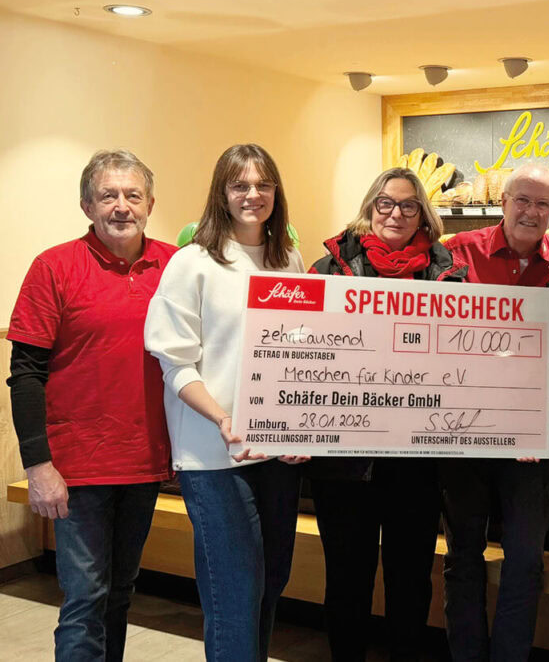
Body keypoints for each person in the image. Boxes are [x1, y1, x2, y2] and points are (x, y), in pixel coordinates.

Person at [6, 150, 175, 661]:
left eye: (133, 195)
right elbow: (26, 374)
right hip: (77, 469)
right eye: (108, 196)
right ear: (87, 206)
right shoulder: (53, 267)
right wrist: (38, 466)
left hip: (146, 463)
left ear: (150, 204)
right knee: (85, 601)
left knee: (119, 595)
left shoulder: (176, 265)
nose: (122, 206)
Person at [144, 143, 307, 662]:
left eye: (263, 184)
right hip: (213, 456)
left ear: (276, 192)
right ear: (222, 193)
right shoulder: (192, 263)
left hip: (275, 454)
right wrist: (222, 417)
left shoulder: (288, 259)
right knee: (235, 595)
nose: (253, 195)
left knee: (271, 583)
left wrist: (302, 428)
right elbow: (175, 364)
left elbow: (301, 356)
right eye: (240, 185)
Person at [304, 166, 466, 661]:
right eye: (386, 204)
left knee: (410, 579)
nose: (396, 214)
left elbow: (466, 357)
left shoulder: (449, 275)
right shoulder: (328, 270)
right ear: (370, 209)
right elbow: (302, 352)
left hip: (417, 460)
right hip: (343, 460)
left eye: (408, 205)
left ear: (423, 214)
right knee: (347, 578)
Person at [438, 163, 549, 660]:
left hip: (529, 430)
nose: (531, 212)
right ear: (503, 202)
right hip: (460, 427)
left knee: (525, 558)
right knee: (463, 554)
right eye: (522, 200)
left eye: (543, 204)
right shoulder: (457, 252)